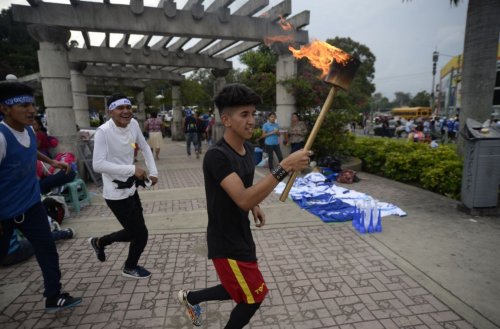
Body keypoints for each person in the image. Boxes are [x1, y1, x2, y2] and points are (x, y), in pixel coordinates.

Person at [177, 83, 312, 328]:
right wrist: (285, 167)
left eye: (253, 114)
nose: (252, 121)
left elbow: (246, 192)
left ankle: (190, 297)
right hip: (226, 240)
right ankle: (190, 298)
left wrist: (254, 207)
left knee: (238, 288)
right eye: (244, 115)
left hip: (242, 233)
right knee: (254, 296)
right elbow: (243, 197)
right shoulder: (217, 156)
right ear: (226, 120)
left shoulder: (248, 149)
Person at [0, 82, 82, 310]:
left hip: (31, 205)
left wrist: (51, 161)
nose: (31, 111)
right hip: (4, 214)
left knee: (47, 249)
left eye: (32, 105)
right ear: (5, 108)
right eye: (24, 105)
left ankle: (54, 296)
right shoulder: (1, 137)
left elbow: (29, 147)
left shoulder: (26, 129)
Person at [90, 94, 159, 279]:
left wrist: (154, 172)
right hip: (115, 194)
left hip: (131, 188)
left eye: (128, 107)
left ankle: (99, 242)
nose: (126, 111)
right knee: (140, 234)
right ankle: (129, 267)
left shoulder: (134, 124)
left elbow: (144, 147)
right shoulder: (103, 132)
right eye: (120, 108)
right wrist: (131, 169)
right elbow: (97, 164)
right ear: (110, 112)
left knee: (133, 232)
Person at [2, 226, 75, 267]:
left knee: (34, 237)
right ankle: (66, 233)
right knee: (39, 239)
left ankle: (54, 232)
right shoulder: (6, 213)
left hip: (6, 254)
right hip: (12, 254)